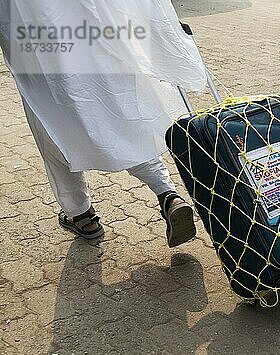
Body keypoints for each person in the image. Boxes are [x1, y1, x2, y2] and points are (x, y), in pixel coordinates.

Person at [0, 0, 208, 247]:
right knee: (122, 118)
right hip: (99, 37)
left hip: (39, 42)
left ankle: (81, 214)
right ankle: (167, 194)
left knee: (54, 125)